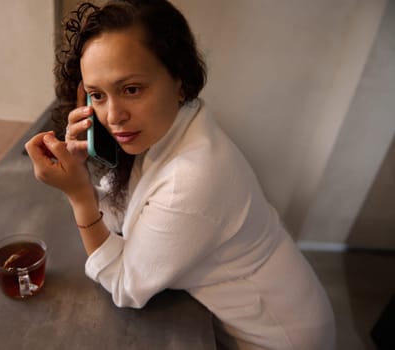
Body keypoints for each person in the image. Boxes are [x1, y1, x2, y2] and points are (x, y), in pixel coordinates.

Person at [25, 0, 336, 348]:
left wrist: (79, 194)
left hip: (275, 336)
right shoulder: (171, 129)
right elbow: (124, 217)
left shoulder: (192, 177)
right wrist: (87, 163)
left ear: (180, 81)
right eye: (97, 95)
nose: (113, 116)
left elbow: (126, 285)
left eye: (131, 89)